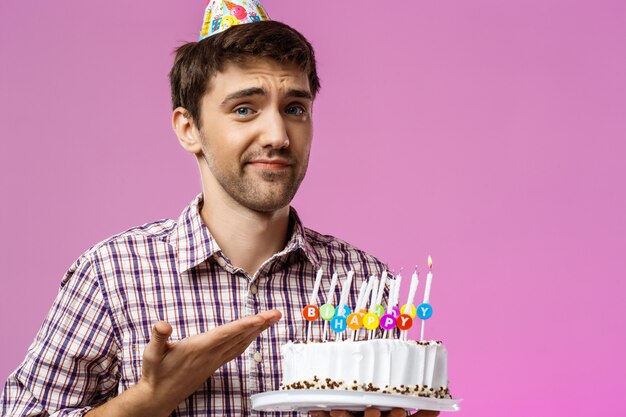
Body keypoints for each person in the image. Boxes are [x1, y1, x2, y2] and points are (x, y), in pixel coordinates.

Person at [1, 1, 439, 417]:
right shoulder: (111, 276)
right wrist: (149, 400)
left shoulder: (366, 285)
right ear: (189, 128)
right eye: (245, 109)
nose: (278, 135)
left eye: (295, 109)